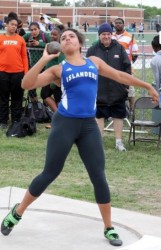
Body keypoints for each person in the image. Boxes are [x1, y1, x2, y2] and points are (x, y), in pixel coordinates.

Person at [1, 29, 158, 247]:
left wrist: (147, 85)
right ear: (61, 46)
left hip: (88, 126)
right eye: (63, 38)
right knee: (50, 173)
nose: (66, 39)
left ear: (80, 42)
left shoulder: (94, 62)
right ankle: (18, 212)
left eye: (71, 36)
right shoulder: (58, 69)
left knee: (98, 176)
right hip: (65, 124)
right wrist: (45, 58)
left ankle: (108, 227)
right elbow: (27, 84)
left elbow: (121, 76)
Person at [86, 23, 131, 151]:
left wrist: (125, 85)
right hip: (99, 90)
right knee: (99, 116)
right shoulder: (92, 50)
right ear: (99, 35)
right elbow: (87, 68)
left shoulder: (120, 48)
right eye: (103, 34)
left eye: (108, 34)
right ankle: (98, 142)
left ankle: (118, 142)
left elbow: (127, 67)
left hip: (117, 90)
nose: (106, 36)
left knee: (118, 116)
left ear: (111, 34)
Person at [0, 14, 28, 129]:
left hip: (18, 73)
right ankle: (3, 121)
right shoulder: (1, 38)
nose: (14, 27)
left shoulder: (20, 39)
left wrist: (26, 73)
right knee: (3, 98)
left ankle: (16, 120)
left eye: (16, 25)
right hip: (2, 72)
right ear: (6, 25)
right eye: (12, 24)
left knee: (17, 97)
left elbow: (24, 57)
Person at [113, 18, 139, 113]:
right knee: (115, 90)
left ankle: (132, 111)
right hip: (114, 69)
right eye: (116, 23)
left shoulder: (130, 37)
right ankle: (115, 109)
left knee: (130, 91)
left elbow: (135, 54)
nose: (118, 25)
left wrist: (128, 63)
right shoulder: (112, 37)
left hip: (127, 69)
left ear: (123, 25)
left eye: (120, 23)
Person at [40, 27, 65, 128]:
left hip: (57, 78)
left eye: (55, 34)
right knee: (44, 94)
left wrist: (54, 81)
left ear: (59, 35)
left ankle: (61, 121)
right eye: (51, 34)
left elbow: (61, 63)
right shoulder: (49, 46)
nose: (52, 36)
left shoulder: (61, 48)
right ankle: (58, 118)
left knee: (59, 99)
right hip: (48, 76)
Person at [23, 22, 50, 101]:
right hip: (34, 66)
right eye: (31, 30)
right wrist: (28, 44)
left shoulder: (45, 36)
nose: (33, 32)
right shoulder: (28, 36)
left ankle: (45, 107)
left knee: (45, 89)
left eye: (35, 29)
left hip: (45, 66)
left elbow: (52, 45)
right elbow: (19, 41)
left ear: (39, 29)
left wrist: (39, 43)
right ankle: (35, 106)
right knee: (31, 87)